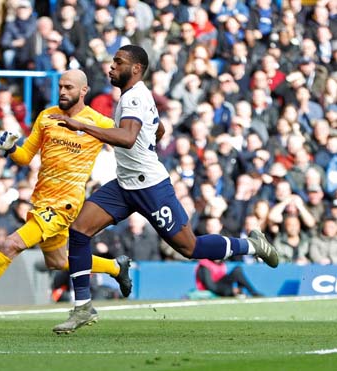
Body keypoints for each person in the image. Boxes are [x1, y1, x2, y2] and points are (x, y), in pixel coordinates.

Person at [52, 45, 279, 334]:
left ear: (135, 69)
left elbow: (127, 137)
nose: (111, 67)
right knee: (79, 231)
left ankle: (253, 245)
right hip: (124, 184)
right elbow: (158, 130)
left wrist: (80, 126)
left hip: (149, 186)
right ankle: (82, 308)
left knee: (190, 247)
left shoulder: (134, 97)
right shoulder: (138, 95)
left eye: (118, 63)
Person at [0, 70, 132, 319]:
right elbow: (25, 156)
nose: (62, 91)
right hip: (42, 201)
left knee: (10, 244)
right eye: (60, 86)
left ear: (83, 91)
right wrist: (10, 149)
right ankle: (115, 266)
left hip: (65, 205)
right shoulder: (47, 116)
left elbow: (127, 138)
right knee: (58, 262)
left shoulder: (98, 122)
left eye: (69, 87)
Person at [195, 259, 262, 297]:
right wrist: (231, 290)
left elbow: (223, 279)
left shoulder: (221, 263)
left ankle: (252, 292)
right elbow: (210, 286)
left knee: (237, 270)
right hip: (214, 289)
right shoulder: (204, 265)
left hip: (221, 286)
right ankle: (238, 292)